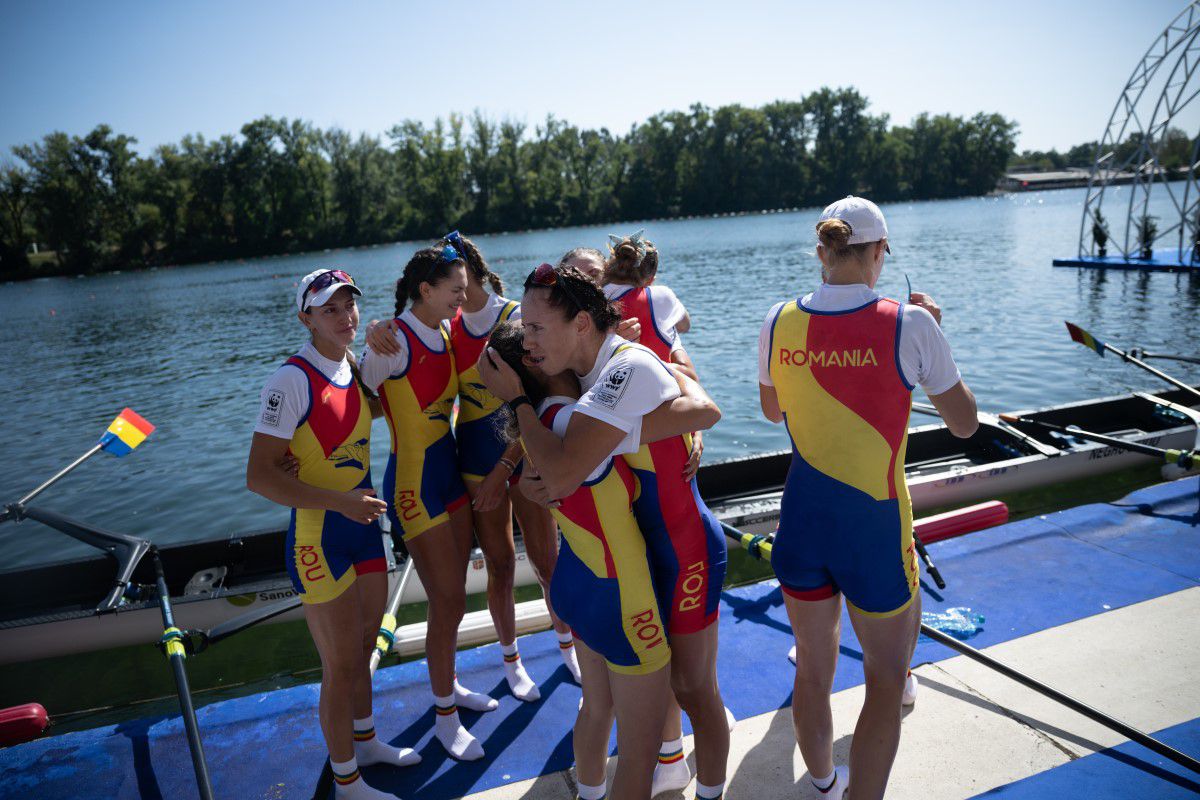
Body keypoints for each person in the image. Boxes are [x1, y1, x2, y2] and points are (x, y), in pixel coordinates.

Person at [758, 196, 978, 800]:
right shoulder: (910, 322)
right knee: (885, 681)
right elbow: (964, 423)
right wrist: (933, 333)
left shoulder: (778, 320)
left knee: (812, 666)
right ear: (878, 252)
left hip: (801, 523)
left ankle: (824, 784)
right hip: (875, 529)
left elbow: (772, 410)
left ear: (823, 252)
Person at [478, 264, 722, 800]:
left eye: (539, 329)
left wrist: (672, 393)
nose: (533, 341)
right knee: (646, 728)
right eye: (529, 334)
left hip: (636, 562)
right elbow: (573, 438)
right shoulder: (574, 390)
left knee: (656, 695)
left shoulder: (606, 377)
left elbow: (703, 410)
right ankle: (681, 769)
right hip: (626, 571)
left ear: (582, 323)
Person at [368, 232, 583, 691]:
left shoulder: (516, 318)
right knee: (500, 565)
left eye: (462, 284)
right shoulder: (448, 327)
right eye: (453, 288)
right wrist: (374, 332)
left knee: (547, 562)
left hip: (521, 457)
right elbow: (390, 386)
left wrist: (505, 467)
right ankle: (511, 662)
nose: (459, 295)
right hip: (469, 463)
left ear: (470, 270)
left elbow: (537, 400)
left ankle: (568, 647)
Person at [247, 269, 420, 799]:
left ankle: (363, 743)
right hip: (318, 539)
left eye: (349, 306)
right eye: (330, 310)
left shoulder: (352, 368)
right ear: (306, 319)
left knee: (366, 646)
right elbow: (259, 477)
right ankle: (346, 782)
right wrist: (342, 502)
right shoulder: (290, 381)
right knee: (340, 663)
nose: (345, 317)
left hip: (364, 530)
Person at [602, 232, 730, 798]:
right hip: (665, 525)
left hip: (677, 534)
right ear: (650, 275)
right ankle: (676, 764)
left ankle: (707, 782)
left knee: (683, 678)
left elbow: (693, 388)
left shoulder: (590, 319)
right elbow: (686, 334)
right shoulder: (657, 300)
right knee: (683, 679)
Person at [358, 245, 496, 762]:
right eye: (456, 289)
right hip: (414, 485)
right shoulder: (391, 341)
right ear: (426, 291)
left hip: (450, 473)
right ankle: (444, 719)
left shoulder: (440, 330)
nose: (464, 297)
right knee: (448, 601)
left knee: (455, 594)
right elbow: (353, 393)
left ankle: (448, 685)